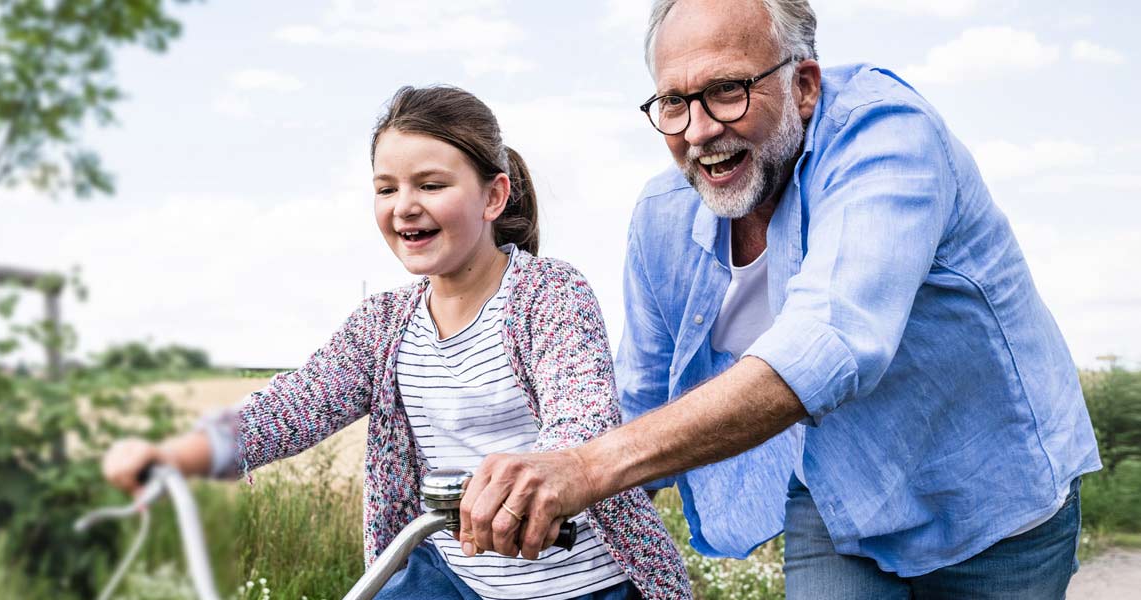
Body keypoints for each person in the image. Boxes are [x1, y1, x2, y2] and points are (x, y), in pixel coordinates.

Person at [456, 1, 1101, 597]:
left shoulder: (888, 139)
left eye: (727, 92)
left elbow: (832, 339)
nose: (700, 130)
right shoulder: (662, 217)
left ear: (804, 85)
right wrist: (533, 494)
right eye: (674, 102)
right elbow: (640, 396)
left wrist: (589, 469)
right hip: (841, 497)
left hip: (991, 496)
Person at [100, 85, 690, 600]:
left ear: (493, 196)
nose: (404, 206)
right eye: (386, 189)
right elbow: (293, 404)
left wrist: (542, 479)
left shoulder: (548, 293)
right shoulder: (384, 324)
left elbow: (581, 411)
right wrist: (182, 454)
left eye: (431, 184)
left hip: (582, 581)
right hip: (455, 579)